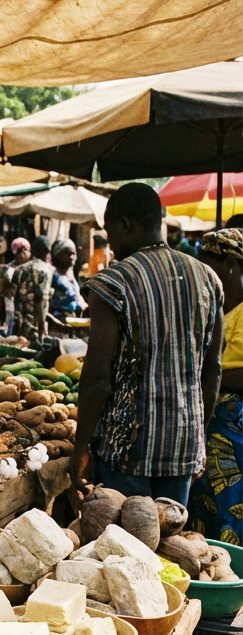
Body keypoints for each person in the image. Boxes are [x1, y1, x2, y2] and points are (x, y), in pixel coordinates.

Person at [72, 184, 224, 505]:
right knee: (167, 545)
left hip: (126, 449)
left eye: (109, 230)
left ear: (125, 224)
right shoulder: (208, 279)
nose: (109, 242)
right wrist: (197, 440)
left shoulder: (113, 283)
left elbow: (98, 378)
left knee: (121, 548)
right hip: (183, 443)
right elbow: (213, 370)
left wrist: (81, 447)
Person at [190, 228, 243, 543]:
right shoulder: (214, 310)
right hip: (207, 429)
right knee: (204, 510)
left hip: (233, 434)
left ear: (231, 263)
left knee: (232, 511)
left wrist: (207, 374)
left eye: (208, 265)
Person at [10, 236, 53, 343]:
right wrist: (42, 325)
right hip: (34, 326)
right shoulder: (45, 270)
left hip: (17, 324)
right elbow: (39, 299)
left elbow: (14, 295)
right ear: (47, 251)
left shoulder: (18, 269)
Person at [0, 236, 31, 334]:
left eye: (24, 250)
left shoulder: (32, 269)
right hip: (11, 304)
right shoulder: (7, 269)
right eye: (18, 251)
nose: (21, 254)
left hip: (28, 306)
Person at [48, 239, 88, 321]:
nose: (72, 257)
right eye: (69, 254)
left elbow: (76, 296)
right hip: (57, 320)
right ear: (58, 255)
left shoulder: (71, 276)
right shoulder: (52, 275)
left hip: (72, 318)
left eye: (74, 254)